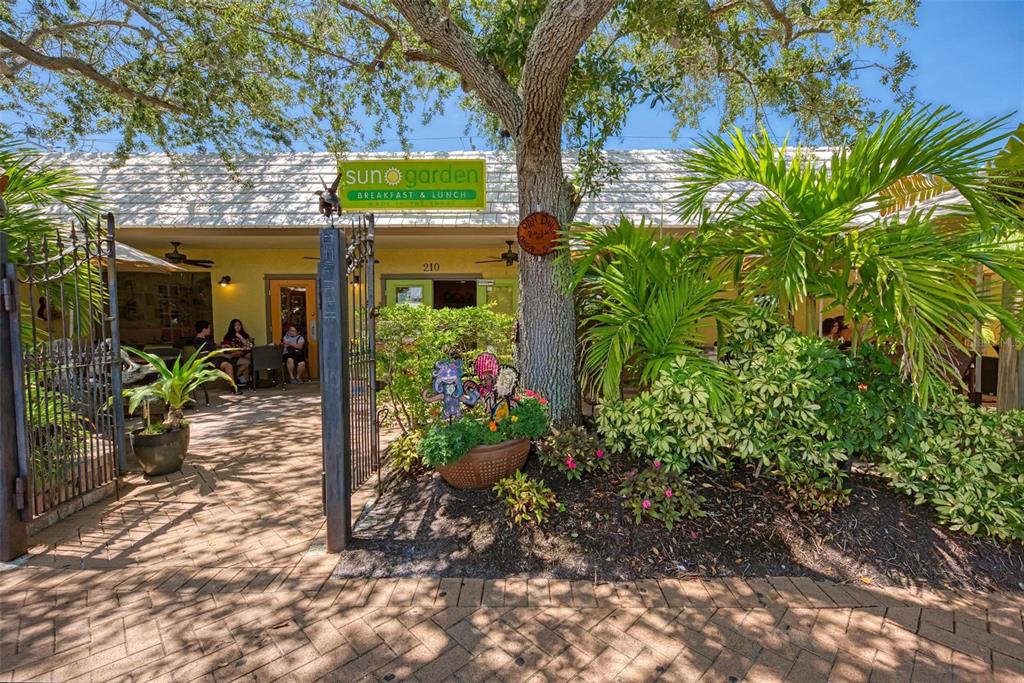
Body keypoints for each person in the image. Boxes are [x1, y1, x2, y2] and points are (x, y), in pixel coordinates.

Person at [221, 318, 253, 385]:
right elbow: (227, 348)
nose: (238, 326)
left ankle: (240, 377)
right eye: (235, 325)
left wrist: (240, 337)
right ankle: (238, 377)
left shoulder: (245, 335)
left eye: (239, 325)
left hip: (243, 353)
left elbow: (248, 346)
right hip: (234, 355)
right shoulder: (228, 336)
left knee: (250, 356)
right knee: (247, 361)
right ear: (232, 327)